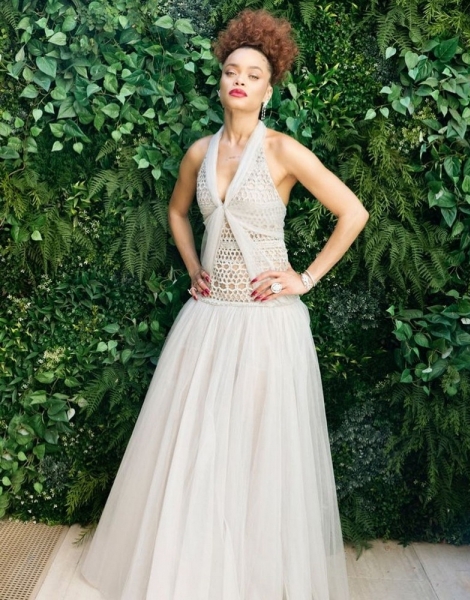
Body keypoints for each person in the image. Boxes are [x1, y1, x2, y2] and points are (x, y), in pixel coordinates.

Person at [81, 9, 369, 600]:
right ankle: (198, 573)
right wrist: (194, 268)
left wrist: (304, 278)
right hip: (208, 321)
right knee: (201, 449)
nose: (240, 80)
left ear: (269, 89)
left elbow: (353, 212)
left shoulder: (284, 151)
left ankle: (256, 578)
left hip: (268, 325)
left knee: (260, 452)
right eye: (232, 71)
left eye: (253, 75)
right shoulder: (199, 152)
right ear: (220, 82)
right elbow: (177, 211)